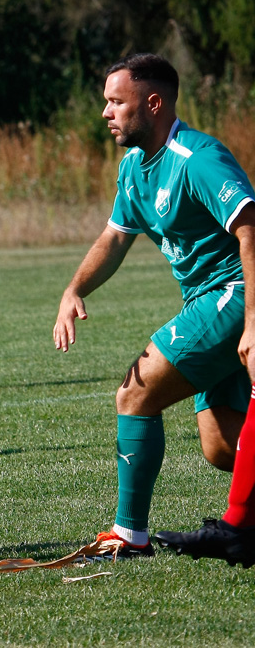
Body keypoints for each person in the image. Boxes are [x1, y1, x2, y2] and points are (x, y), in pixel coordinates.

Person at [53, 53, 255, 561]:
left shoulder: (198, 158)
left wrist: (253, 320)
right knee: (222, 447)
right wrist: (73, 289)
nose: (106, 112)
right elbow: (114, 238)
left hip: (233, 294)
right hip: (207, 299)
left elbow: (251, 226)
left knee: (133, 393)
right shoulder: (133, 169)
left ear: (154, 102)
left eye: (116, 101)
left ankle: (129, 534)